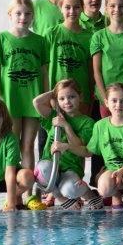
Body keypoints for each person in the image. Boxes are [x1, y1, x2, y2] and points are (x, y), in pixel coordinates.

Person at [0, 0, 49, 171]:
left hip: (33, 100)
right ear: (10, 15)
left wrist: (46, 98)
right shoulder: (0, 39)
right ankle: (12, 185)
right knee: (12, 145)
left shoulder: (40, 41)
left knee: (28, 146)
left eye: (28, 14)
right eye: (18, 13)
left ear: (33, 16)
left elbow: (44, 72)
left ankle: (27, 186)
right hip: (10, 100)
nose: (23, 17)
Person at [33, 79, 102, 210]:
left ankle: (89, 195)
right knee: (41, 170)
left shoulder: (87, 122)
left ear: (80, 97)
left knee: (71, 189)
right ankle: (60, 198)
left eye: (71, 97)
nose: (67, 101)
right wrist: (55, 92)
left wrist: (66, 125)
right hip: (51, 166)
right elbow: (37, 102)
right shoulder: (53, 116)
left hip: (71, 168)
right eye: (62, 98)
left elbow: (78, 145)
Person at [44, 0, 95, 116]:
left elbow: (91, 70)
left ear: (82, 8)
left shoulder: (90, 36)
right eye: (67, 7)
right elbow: (44, 68)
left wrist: (90, 97)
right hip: (56, 96)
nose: (72, 11)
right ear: (60, 8)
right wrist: (48, 95)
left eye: (76, 7)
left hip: (81, 96)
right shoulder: (51, 34)